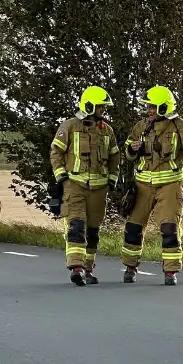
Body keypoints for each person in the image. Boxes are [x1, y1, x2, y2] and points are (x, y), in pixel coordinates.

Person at [120, 85, 183, 286]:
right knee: (133, 227)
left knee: (169, 227)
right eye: (148, 107)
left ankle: (170, 271)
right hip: (143, 184)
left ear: (164, 107)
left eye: (152, 107)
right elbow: (128, 154)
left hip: (170, 184)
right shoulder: (140, 127)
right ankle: (130, 267)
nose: (149, 110)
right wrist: (131, 149)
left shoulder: (181, 126)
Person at [49, 86, 122, 286]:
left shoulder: (107, 130)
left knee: (92, 231)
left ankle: (88, 269)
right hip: (75, 185)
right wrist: (62, 177)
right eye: (100, 107)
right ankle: (76, 267)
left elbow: (116, 156)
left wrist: (112, 179)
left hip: (99, 189)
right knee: (76, 226)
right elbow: (56, 152)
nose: (103, 111)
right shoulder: (70, 126)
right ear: (89, 105)